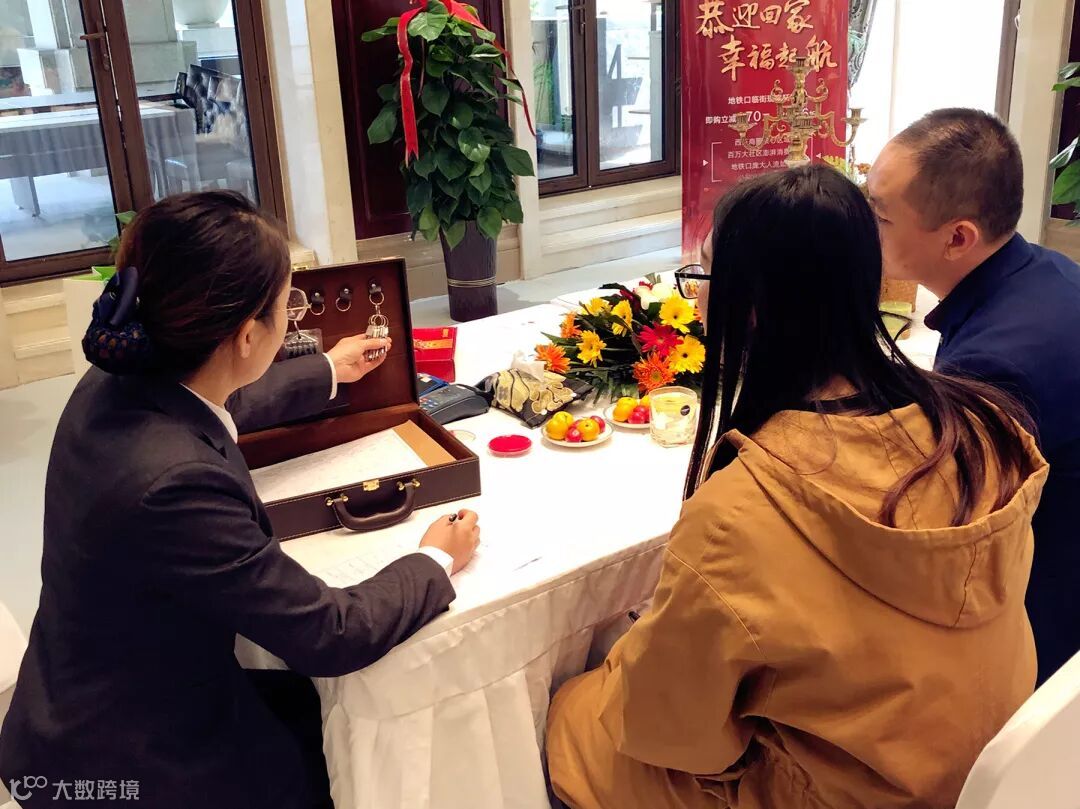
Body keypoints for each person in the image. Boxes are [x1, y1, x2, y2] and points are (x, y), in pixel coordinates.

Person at [546, 166, 1048, 809]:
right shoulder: (981, 426)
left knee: (571, 716)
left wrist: (619, 666)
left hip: (841, 794)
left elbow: (675, 738)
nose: (697, 301)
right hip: (973, 770)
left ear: (751, 308)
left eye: (705, 279)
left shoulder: (739, 511)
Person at [0, 191, 480, 809]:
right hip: (132, 760)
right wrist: (435, 559)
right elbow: (330, 633)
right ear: (249, 335)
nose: (292, 317)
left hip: (80, 700)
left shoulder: (122, 369)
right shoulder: (175, 484)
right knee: (359, 747)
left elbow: (221, 397)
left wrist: (328, 369)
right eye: (288, 306)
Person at [868, 108, 1080, 683]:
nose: (866, 227)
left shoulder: (995, 365)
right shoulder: (1049, 271)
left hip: (1041, 631)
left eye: (880, 216)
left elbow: (949, 537)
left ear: (958, 238)